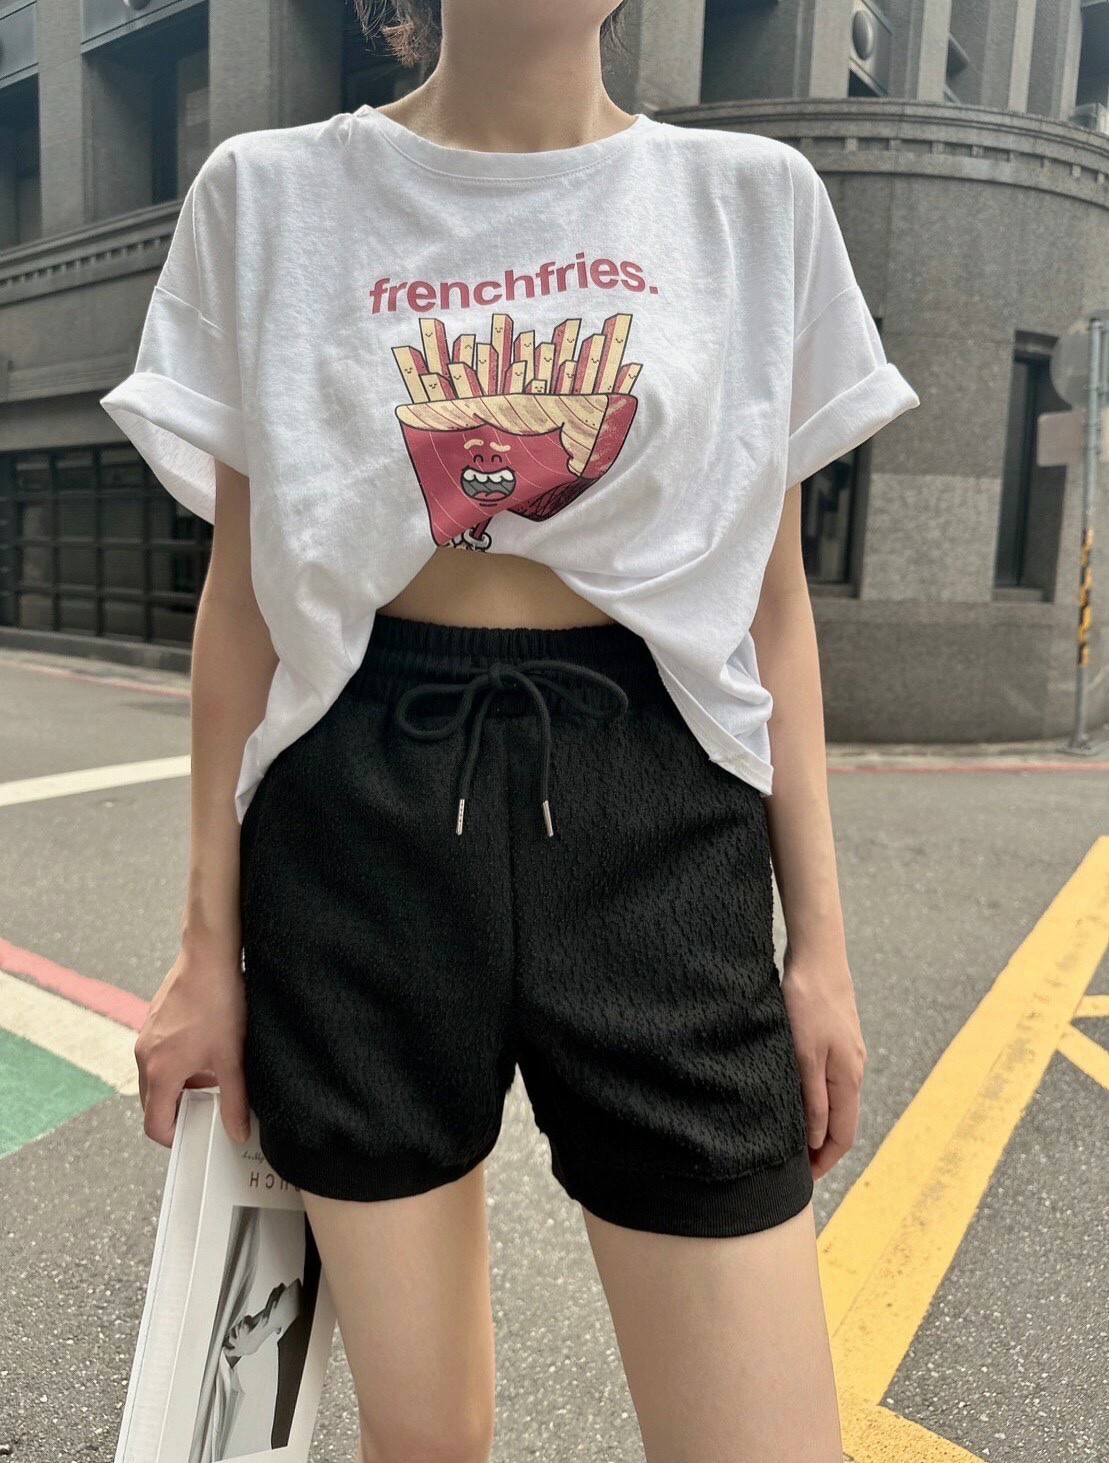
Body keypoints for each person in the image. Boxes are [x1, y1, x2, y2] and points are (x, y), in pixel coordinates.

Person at [100, 2, 921, 1459]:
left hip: (659, 807)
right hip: (358, 813)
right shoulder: (269, 194)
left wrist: (823, 956)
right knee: (425, 1439)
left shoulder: (751, 202)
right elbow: (241, 600)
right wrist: (204, 952)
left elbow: (772, 603)